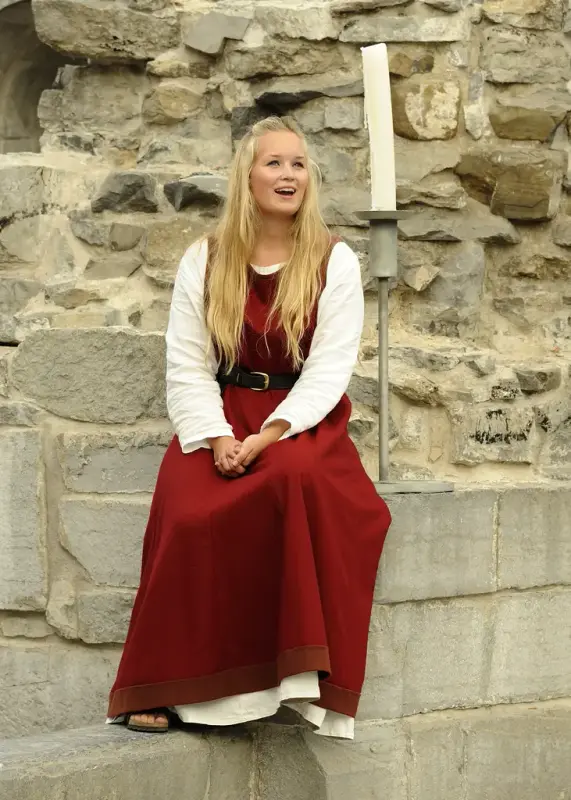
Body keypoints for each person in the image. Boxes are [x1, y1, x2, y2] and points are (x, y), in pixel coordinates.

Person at [106, 115, 391, 740]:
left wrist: (270, 435)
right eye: (274, 163)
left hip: (297, 420)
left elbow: (331, 365)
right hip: (221, 415)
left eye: (297, 164)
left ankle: (281, 680)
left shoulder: (333, 260)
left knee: (288, 481)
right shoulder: (205, 258)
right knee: (186, 510)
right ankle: (168, 685)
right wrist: (215, 438)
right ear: (248, 175)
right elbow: (186, 361)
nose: (288, 175)